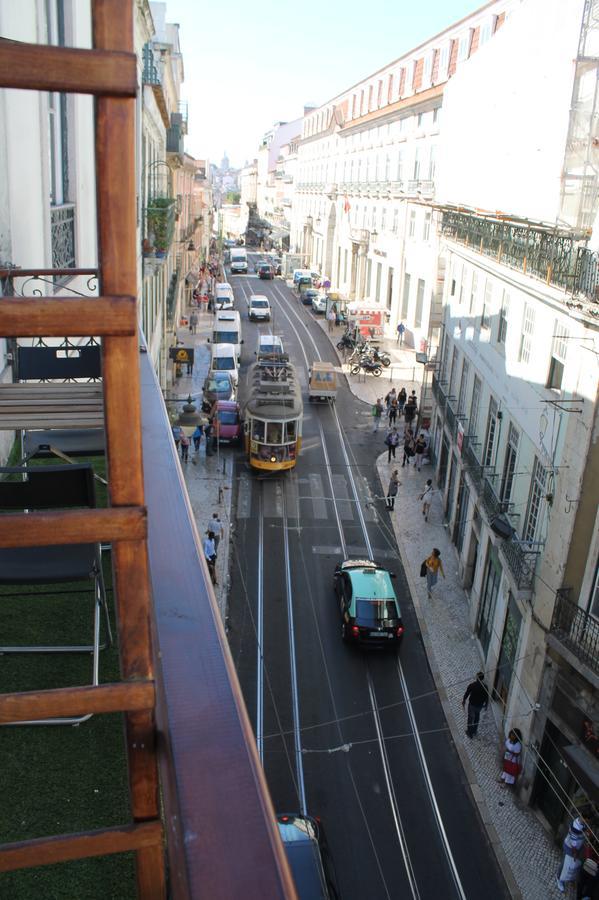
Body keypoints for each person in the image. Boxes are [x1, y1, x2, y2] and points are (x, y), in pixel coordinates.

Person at [556, 816, 587, 893]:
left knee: (572, 864)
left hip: (577, 848)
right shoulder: (575, 827)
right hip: (570, 848)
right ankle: (559, 879)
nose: (587, 822)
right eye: (586, 820)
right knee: (565, 864)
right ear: (583, 818)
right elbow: (573, 843)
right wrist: (575, 853)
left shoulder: (583, 824)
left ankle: (569, 878)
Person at [462, 672, 489, 738]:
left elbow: (467, 693)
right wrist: (486, 705)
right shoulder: (485, 687)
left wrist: (464, 700)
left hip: (472, 705)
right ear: (482, 678)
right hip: (479, 706)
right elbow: (486, 697)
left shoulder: (472, 685)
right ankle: (474, 731)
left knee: (470, 718)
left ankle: (469, 732)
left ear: (477, 677)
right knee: (477, 717)